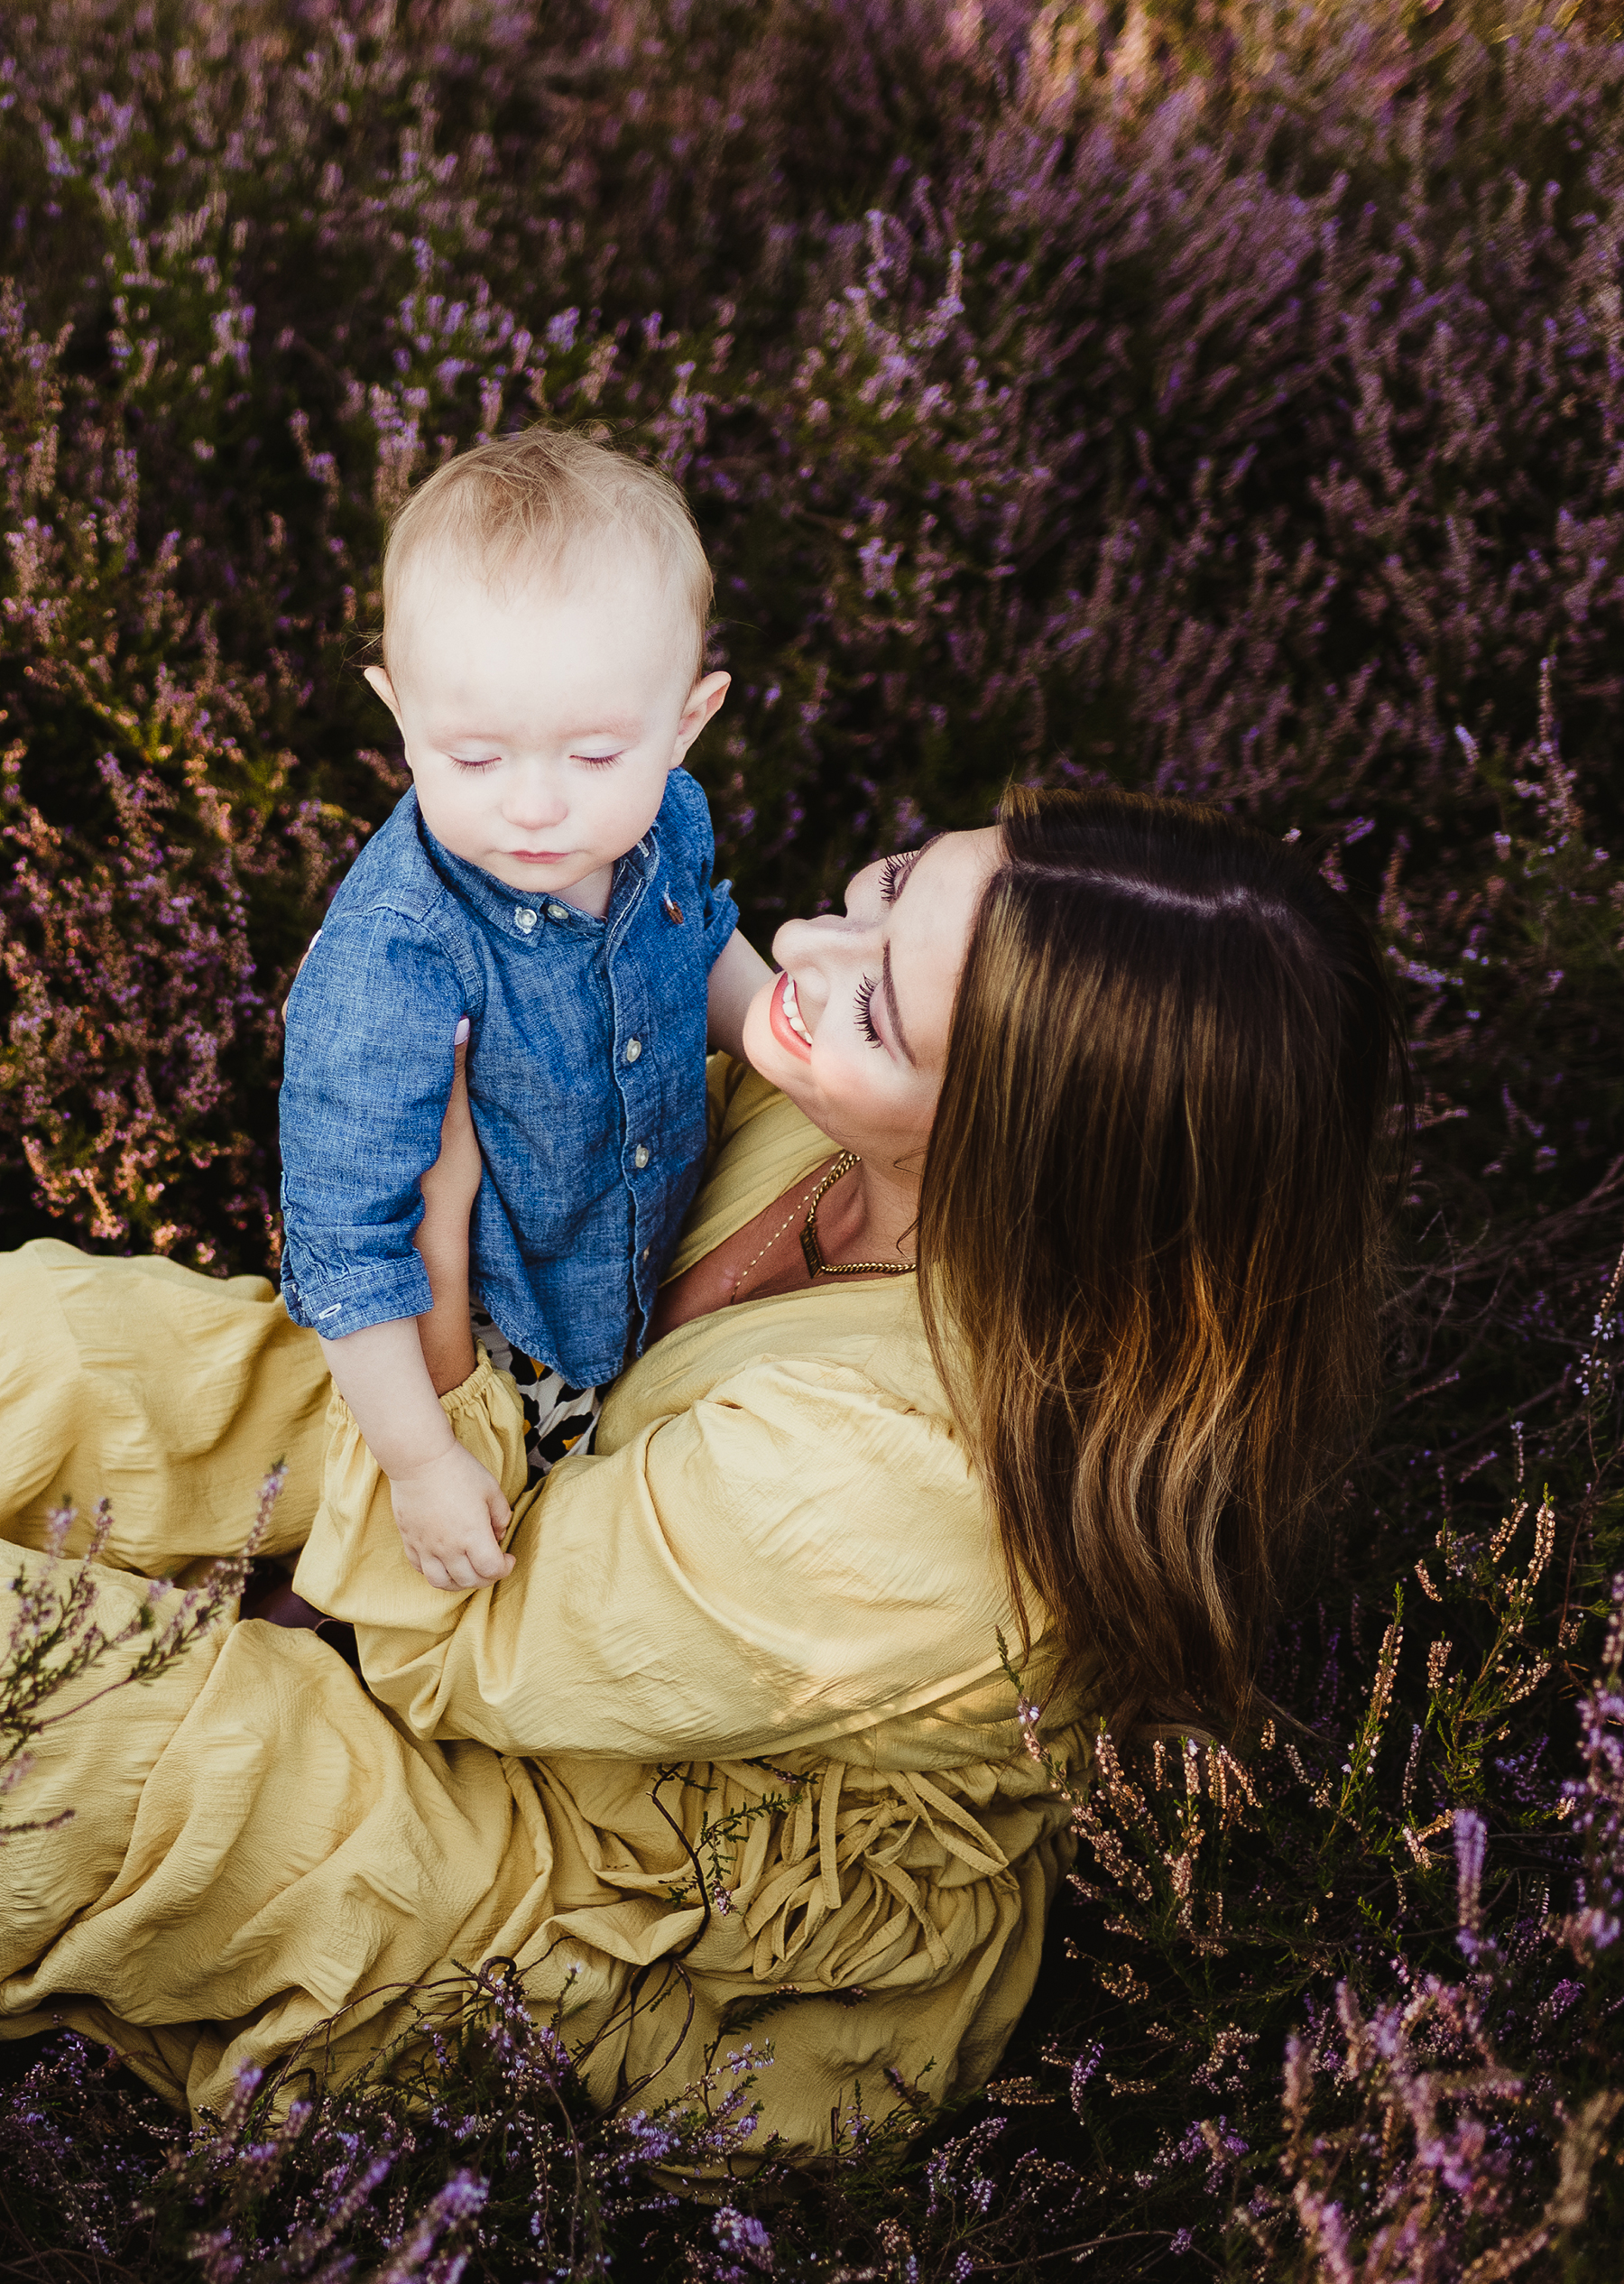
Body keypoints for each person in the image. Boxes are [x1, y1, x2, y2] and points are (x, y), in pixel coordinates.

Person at [0, 788, 1406, 2159]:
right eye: (897, 881)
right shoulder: (842, 1119)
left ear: (1033, 1170)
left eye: (879, 1008)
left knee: (106, 1738)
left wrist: (427, 1222)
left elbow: (464, 1644)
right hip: (549, 1489)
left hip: (661, 1886)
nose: (804, 950)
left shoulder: (899, 1482)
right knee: (67, 1354)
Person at [278, 425, 770, 1586]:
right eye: (476, 758)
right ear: (398, 713)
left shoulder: (665, 822)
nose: (536, 808)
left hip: (631, 1270)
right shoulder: (397, 956)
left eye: (597, 756)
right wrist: (418, 1460)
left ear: (687, 723)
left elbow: (698, 939)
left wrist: (783, 1042)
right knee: (471, 1569)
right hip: (488, 1350)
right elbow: (347, 1242)